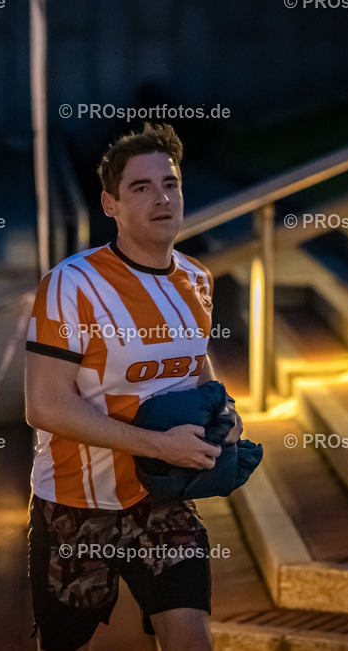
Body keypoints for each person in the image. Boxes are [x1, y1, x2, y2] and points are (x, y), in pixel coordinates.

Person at [25, 123, 241, 651]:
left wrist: (225, 412)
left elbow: (196, 368)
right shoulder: (70, 285)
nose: (161, 197)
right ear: (110, 204)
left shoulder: (196, 280)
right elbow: (44, 405)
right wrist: (158, 443)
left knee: (192, 638)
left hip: (163, 496)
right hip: (75, 505)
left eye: (170, 184)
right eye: (141, 188)